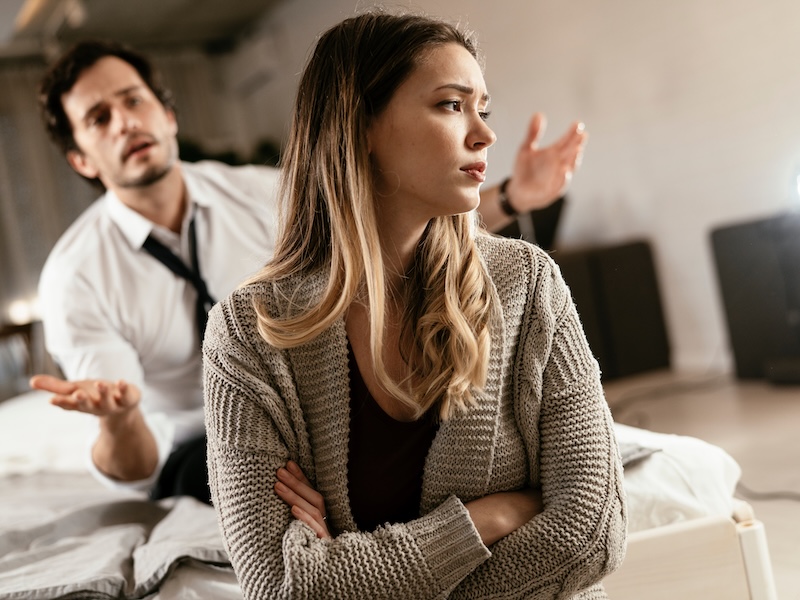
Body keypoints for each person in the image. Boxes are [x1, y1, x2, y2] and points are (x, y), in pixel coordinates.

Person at [29, 38, 586, 506]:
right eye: (99, 119)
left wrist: (513, 196)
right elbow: (137, 464)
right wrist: (121, 420)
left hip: (306, 412)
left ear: (167, 114)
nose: (125, 122)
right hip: (197, 446)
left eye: (134, 101)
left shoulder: (256, 192)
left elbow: (389, 233)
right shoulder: (74, 278)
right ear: (80, 158)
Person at [203, 11, 625, 600]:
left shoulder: (529, 285)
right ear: (362, 126)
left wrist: (347, 576)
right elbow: (278, 587)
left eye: (484, 107)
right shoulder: (249, 336)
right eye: (452, 105)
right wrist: (486, 521)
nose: (484, 134)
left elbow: (592, 532)